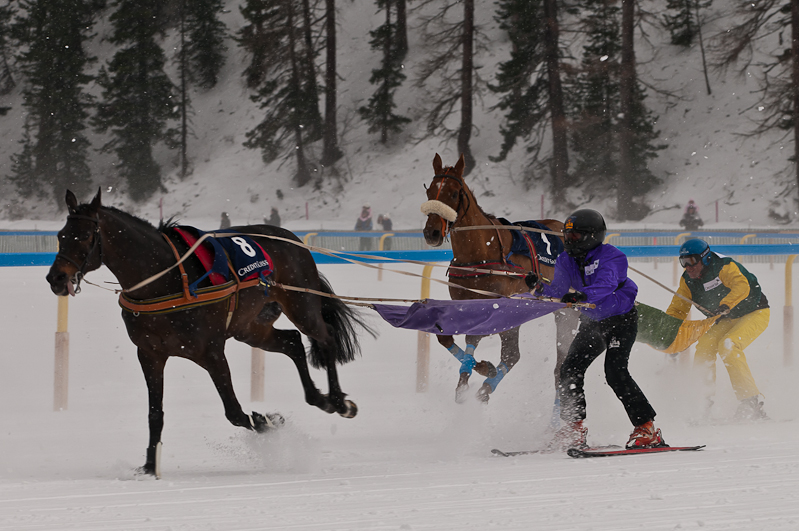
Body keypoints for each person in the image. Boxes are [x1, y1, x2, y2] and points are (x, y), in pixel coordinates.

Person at [526, 209, 664, 450]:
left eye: (575, 236)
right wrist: (539, 288)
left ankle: (647, 429)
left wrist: (581, 295)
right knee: (570, 369)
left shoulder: (613, 257)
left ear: (592, 235)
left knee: (615, 373)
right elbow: (559, 290)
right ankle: (574, 428)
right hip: (593, 322)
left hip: (620, 320)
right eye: (567, 236)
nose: (569, 241)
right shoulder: (565, 259)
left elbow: (606, 285)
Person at [666, 238, 770, 420]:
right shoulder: (687, 281)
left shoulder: (724, 266)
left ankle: (751, 403)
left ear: (705, 258)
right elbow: (678, 309)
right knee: (704, 347)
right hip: (727, 318)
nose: (687, 267)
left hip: (754, 312)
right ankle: (703, 403)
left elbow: (741, 286)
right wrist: (668, 330)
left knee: (729, 345)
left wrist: (726, 304)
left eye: (691, 261)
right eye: (683, 262)